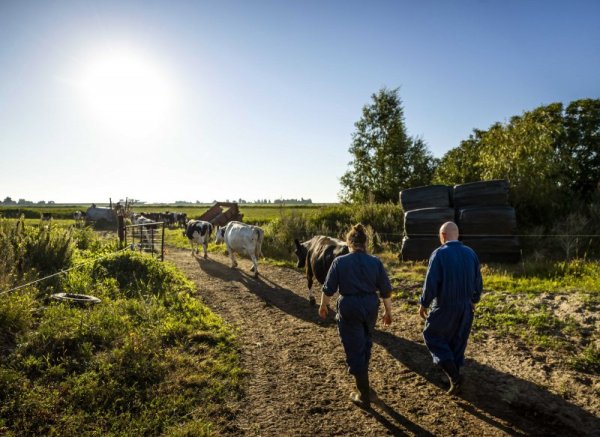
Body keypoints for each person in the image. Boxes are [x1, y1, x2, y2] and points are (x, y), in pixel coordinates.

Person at [319, 223, 393, 409]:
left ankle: (364, 395)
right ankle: (364, 385)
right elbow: (385, 291)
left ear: (348, 243)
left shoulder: (340, 262)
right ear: (365, 243)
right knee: (366, 341)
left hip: (349, 306)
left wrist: (323, 306)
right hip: (370, 307)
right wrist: (388, 312)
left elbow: (329, 289)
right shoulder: (375, 262)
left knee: (353, 347)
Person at [418, 221, 483, 395]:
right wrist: (474, 300)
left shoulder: (439, 254)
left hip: (445, 304)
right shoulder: (471, 253)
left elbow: (431, 282)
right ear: (457, 234)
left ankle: (455, 378)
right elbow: (478, 281)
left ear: (443, 236)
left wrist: (424, 303)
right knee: (457, 339)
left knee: (432, 335)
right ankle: (452, 375)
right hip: (466, 306)